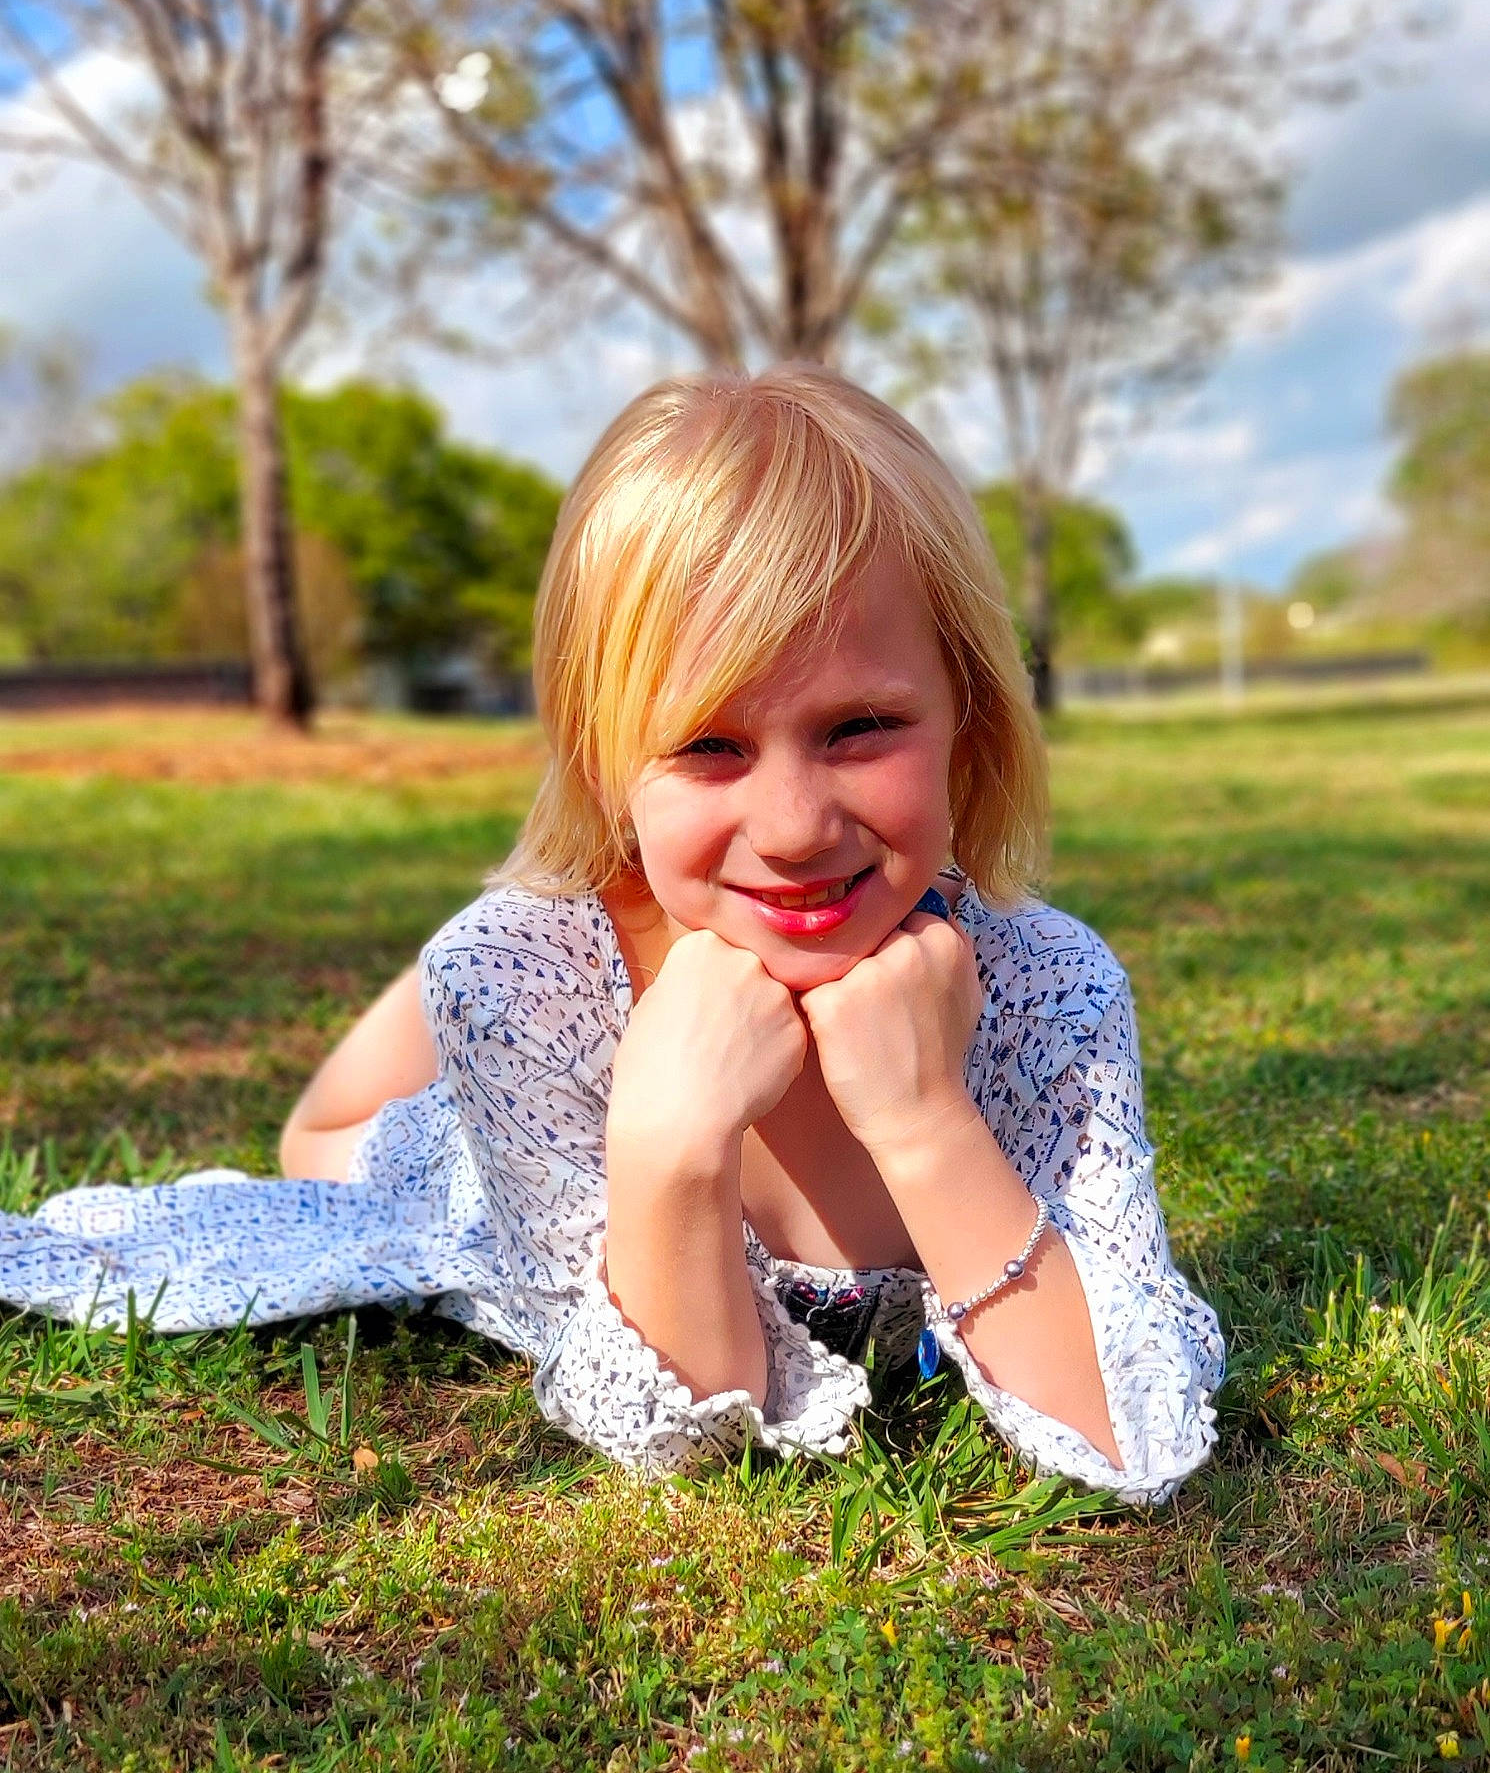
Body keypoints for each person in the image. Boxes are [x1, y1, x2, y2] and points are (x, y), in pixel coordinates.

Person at [0, 367, 1223, 1502]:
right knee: (334, 1133)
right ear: (603, 759)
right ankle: (460, 956)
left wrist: (924, 1118)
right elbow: (670, 1432)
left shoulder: (1049, 985)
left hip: (585, 989)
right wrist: (667, 1134)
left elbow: (1139, 1430)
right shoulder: (520, 988)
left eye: (860, 726)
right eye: (705, 744)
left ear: (969, 718)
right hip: (470, 1166)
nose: (794, 826)